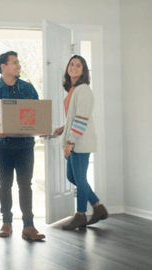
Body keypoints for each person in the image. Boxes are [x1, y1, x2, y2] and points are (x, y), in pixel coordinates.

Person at [0, 51, 45, 241]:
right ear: (3, 67)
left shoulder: (29, 89)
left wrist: (43, 127)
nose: (18, 66)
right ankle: (7, 222)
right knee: (5, 184)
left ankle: (29, 226)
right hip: (2, 146)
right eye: (14, 63)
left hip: (25, 145)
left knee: (25, 185)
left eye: (18, 63)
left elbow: (38, 114)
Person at [44, 55, 108, 230]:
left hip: (81, 140)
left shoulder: (84, 89)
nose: (73, 67)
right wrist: (63, 129)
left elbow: (82, 119)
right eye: (71, 64)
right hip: (76, 138)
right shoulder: (73, 90)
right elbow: (75, 116)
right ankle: (98, 207)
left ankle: (80, 215)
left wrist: (70, 141)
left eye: (78, 65)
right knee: (72, 177)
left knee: (79, 178)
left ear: (83, 70)